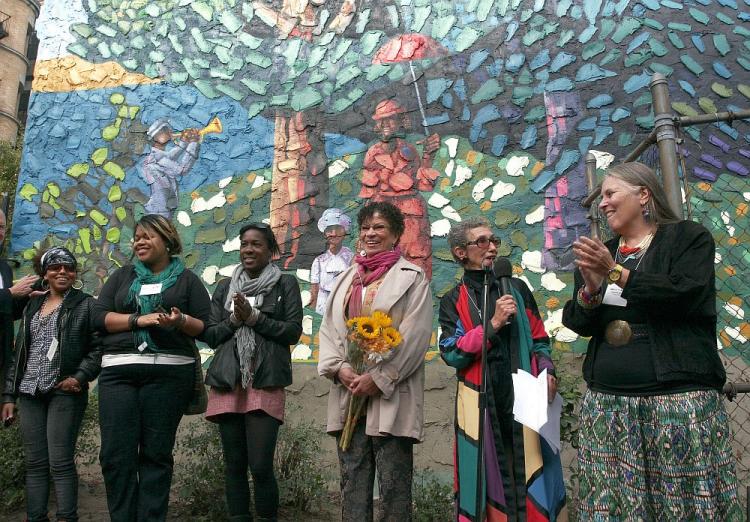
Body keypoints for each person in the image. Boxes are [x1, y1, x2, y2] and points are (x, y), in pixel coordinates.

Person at [562, 162, 741, 519]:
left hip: (676, 402)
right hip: (610, 408)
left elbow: (685, 294)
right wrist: (593, 287)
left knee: (681, 507)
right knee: (619, 508)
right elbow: (578, 322)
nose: (603, 203)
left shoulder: (687, 238)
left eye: (611, 193)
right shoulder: (606, 251)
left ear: (643, 195)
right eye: (601, 197)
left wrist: (616, 273)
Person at [438, 218, 567, 521]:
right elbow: (451, 352)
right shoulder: (453, 300)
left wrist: (548, 372)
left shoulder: (517, 289)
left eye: (494, 239)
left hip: (527, 399)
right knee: (486, 478)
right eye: (481, 241)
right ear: (460, 252)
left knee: (534, 474)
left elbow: (539, 339)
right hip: (480, 404)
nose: (492, 247)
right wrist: (492, 325)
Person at [318, 201, 433, 522]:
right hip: (349, 392)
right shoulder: (346, 279)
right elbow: (328, 329)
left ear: (395, 234)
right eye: (366, 227)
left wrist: (379, 378)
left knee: (394, 485)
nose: (370, 233)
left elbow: (415, 336)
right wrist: (338, 368)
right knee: (352, 480)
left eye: (379, 227)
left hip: (390, 393)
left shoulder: (413, 278)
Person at [92, 214, 212, 522]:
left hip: (169, 375)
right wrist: (136, 320)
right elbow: (99, 317)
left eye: (149, 236)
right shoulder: (122, 277)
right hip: (118, 374)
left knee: (156, 455)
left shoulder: (187, 280)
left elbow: (208, 329)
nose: (140, 241)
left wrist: (180, 321)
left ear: (168, 240)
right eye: (137, 237)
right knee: (115, 456)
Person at [203, 222, 303, 522]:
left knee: (260, 465)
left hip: (265, 380)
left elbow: (292, 332)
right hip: (228, 380)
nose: (249, 249)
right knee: (234, 464)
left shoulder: (285, 284)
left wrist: (255, 317)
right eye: (245, 243)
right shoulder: (224, 287)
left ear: (270, 250)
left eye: (257, 244)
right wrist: (235, 320)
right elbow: (211, 335)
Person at [2, 247, 100, 522]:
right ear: (44, 273)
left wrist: (80, 377)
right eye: (55, 267)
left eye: (68, 267)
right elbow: (19, 352)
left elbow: (97, 349)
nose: (62, 272)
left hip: (63, 391)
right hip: (30, 391)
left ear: (75, 273)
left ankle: (66, 518)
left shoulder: (85, 304)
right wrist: (9, 395)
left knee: (60, 462)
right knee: (35, 463)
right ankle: (36, 518)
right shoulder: (33, 304)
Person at [358, 99, 441, 279]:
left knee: (416, 263)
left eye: (391, 119)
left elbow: (422, 184)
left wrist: (428, 156)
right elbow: (370, 192)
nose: (385, 124)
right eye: (381, 120)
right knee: (383, 265)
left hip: (412, 217)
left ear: (400, 121)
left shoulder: (409, 149)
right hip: (385, 215)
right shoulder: (373, 152)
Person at [0, 209, 39, 393]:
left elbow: (5, 311)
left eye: (1, 227)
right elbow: (7, 296)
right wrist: (11, 292)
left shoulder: (4, 268)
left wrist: (25, 299)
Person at [142, 118, 201, 219]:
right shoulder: (157, 159)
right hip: (161, 211)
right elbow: (182, 169)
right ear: (156, 136)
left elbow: (169, 156)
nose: (170, 132)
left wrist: (184, 142)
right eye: (165, 130)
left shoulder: (155, 155)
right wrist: (193, 143)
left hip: (161, 208)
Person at [309, 208, 354, 315]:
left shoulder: (351, 258)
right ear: (325, 234)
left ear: (344, 231)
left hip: (345, 301)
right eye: (330, 230)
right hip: (323, 303)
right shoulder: (319, 261)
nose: (334, 234)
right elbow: (314, 286)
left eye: (338, 229)